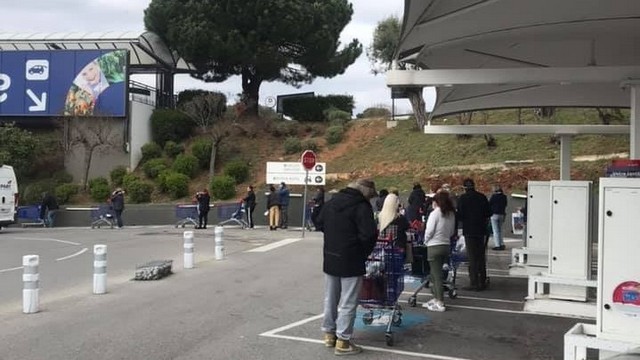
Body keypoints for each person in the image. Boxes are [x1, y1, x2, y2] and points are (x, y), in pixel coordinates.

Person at [315, 178, 378, 355]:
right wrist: (362, 253)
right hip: (352, 259)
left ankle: (329, 334)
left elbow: (318, 222)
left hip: (330, 257)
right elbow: (369, 234)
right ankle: (343, 341)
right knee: (349, 301)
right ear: (366, 192)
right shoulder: (362, 207)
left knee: (330, 298)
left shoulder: (333, 202)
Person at [422, 191, 456, 312]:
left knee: (436, 275)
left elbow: (429, 230)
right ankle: (436, 298)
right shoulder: (451, 214)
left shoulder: (434, 214)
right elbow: (452, 231)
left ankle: (440, 301)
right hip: (445, 245)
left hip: (434, 245)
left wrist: (425, 241)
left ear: (436, 202)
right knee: (437, 273)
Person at [456, 178, 491, 291]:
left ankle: (474, 281)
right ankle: (483, 279)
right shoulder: (482, 197)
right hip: (481, 230)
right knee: (481, 256)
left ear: (464, 187)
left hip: (469, 230)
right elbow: (488, 213)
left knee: (472, 257)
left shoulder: (462, 199)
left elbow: (460, 215)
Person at [378, 192, 411, 263]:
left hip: (383, 248)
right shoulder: (400, 219)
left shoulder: (379, 217)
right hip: (398, 249)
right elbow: (407, 226)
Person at [489, 185, 508, 250]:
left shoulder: (494, 197)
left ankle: (497, 245)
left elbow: (489, 204)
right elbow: (505, 205)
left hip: (494, 214)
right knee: (500, 230)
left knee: (495, 230)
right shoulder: (504, 197)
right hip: (502, 214)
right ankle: (502, 243)